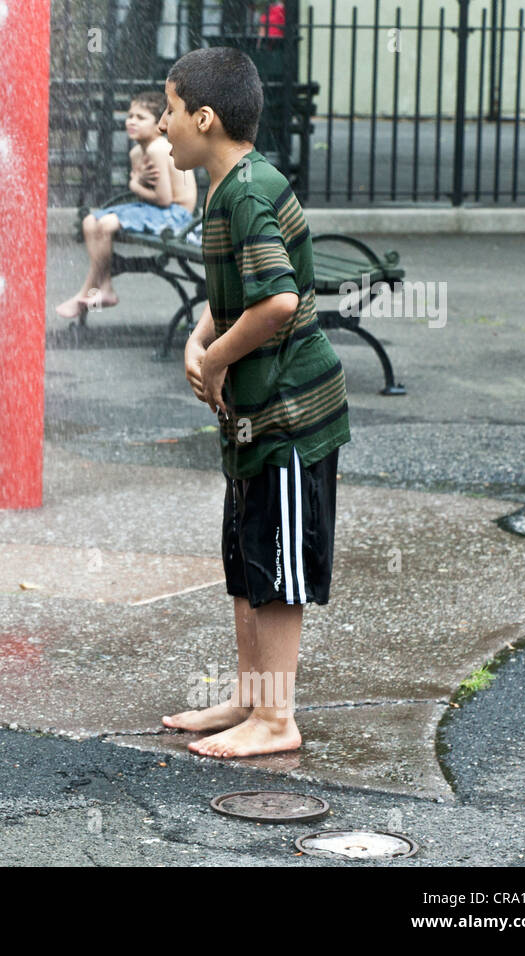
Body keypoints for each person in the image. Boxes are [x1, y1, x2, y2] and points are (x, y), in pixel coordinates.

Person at [158, 47, 349, 758]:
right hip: (253, 418)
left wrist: (213, 357)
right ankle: (250, 694)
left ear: (204, 118)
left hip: (290, 416)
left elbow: (278, 299)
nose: (162, 129)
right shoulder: (231, 186)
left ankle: (276, 718)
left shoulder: (242, 192)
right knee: (249, 558)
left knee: (278, 568)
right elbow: (240, 292)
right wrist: (200, 335)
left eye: (170, 112)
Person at [55, 90, 197, 320]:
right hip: (156, 211)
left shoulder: (157, 148)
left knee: (108, 223)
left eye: (141, 118)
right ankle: (106, 286)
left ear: (158, 124)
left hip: (176, 215)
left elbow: (164, 200)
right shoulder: (135, 153)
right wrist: (139, 186)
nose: (131, 121)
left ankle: (88, 291)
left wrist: (134, 184)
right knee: (91, 221)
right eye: (130, 115)